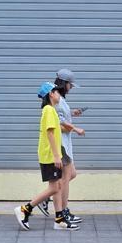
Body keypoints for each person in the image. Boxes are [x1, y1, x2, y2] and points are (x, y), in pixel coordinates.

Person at [13, 82, 79, 231]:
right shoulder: (49, 110)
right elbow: (50, 133)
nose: (59, 94)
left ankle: (59, 219)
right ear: (51, 94)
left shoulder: (51, 110)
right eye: (56, 92)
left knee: (57, 186)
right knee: (55, 187)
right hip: (50, 155)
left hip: (51, 154)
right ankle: (25, 209)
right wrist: (57, 156)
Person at [36, 69, 85, 224]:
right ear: (65, 84)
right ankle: (63, 212)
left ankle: (48, 197)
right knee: (64, 179)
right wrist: (75, 128)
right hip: (61, 145)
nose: (71, 88)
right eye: (70, 85)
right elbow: (58, 125)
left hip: (65, 144)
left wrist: (72, 112)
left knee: (71, 175)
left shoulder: (60, 99)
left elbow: (63, 117)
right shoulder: (54, 103)